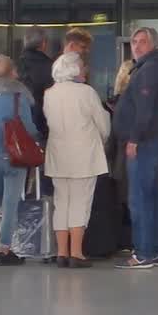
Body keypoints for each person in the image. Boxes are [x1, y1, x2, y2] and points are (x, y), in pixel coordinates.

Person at [42, 52, 110, 269]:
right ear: (74, 69)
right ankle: (76, 253)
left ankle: (61, 252)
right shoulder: (86, 92)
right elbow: (103, 125)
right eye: (81, 65)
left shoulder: (49, 93)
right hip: (84, 156)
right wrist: (102, 137)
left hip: (58, 155)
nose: (84, 69)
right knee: (80, 203)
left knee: (61, 203)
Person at [112, 27, 158, 270]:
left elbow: (144, 110)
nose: (136, 46)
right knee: (153, 197)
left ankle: (144, 252)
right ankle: (157, 250)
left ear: (154, 45)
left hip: (143, 144)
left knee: (140, 199)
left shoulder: (149, 70)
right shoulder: (153, 67)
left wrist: (134, 139)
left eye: (142, 42)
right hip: (150, 142)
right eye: (134, 42)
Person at [0, 54, 41, 266]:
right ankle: (5, 250)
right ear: (12, 72)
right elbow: (28, 127)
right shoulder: (17, 96)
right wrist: (38, 137)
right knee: (10, 203)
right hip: (11, 155)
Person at [17, 26, 53, 136]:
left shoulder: (16, 64)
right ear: (43, 43)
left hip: (19, 121)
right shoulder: (50, 66)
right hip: (43, 122)